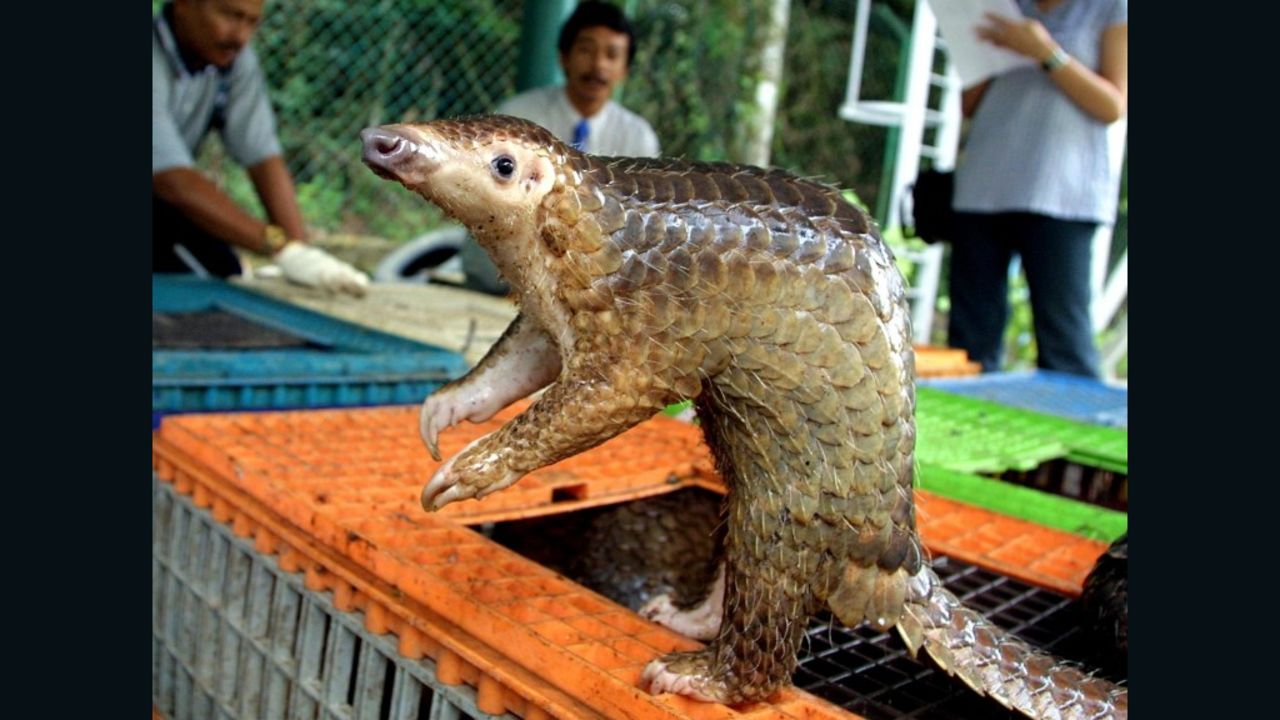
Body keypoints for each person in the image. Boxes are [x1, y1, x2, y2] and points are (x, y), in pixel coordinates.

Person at [947, 0, 1127, 378]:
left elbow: (1113, 105)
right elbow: (970, 104)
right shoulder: (1006, 7)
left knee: (1065, 343)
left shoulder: (1110, 7)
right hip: (984, 186)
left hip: (1064, 194)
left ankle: (1075, 435)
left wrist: (1046, 53)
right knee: (969, 345)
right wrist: (984, 54)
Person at [153, 0, 368, 296]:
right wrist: (279, 247)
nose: (240, 35)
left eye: (252, 22)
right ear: (184, 5)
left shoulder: (232, 62)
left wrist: (303, 255)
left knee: (222, 270)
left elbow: (263, 158)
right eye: (230, 15)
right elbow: (169, 179)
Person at [459, 0, 661, 294]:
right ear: (563, 57)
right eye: (586, 50)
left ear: (624, 70)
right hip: (499, 280)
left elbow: (636, 232)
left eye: (612, 55)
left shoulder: (639, 138)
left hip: (590, 293)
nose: (598, 65)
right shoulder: (517, 116)